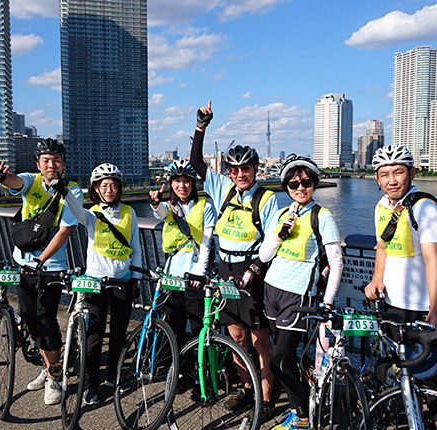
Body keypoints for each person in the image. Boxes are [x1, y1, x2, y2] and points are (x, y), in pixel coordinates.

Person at [190, 100, 277, 417]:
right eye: (235, 169)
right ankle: (246, 389)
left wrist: (255, 269)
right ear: (229, 171)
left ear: (256, 170)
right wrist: (201, 125)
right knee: (235, 336)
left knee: (259, 340)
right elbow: (197, 163)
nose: (240, 174)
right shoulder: (223, 187)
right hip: (225, 268)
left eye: (246, 169)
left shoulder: (265, 198)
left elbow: (272, 240)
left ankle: (266, 398)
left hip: (251, 271)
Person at [364, 145, 437, 429]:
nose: (392, 179)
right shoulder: (381, 207)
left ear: (411, 173)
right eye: (385, 174)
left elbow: (432, 260)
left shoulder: (425, 207)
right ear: (377, 179)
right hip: (392, 303)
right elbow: (382, 246)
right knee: (401, 370)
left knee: (431, 376)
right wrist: (377, 278)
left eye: (398, 172)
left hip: (421, 308)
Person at [0, 138, 83, 406]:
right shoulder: (32, 181)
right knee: (30, 319)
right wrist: (2, 177)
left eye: (56, 160)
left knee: (46, 320)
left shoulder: (71, 191)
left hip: (50, 268)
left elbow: (65, 231)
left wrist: (40, 260)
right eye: (46, 160)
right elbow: (15, 182)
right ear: (38, 164)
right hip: (23, 264)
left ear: (63, 163)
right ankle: (47, 367)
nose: (51, 165)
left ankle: (55, 379)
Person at [257, 155, 343, 430]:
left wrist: (327, 303)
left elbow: (337, 261)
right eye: (294, 183)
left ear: (315, 184)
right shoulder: (284, 214)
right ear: (287, 187)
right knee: (285, 357)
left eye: (306, 182)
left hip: (298, 297)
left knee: (280, 360)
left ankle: (304, 416)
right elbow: (264, 254)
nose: (300, 188)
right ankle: (302, 408)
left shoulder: (322, 216)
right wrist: (280, 235)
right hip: (272, 290)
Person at [51, 163, 142, 406]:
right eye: (104, 186)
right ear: (96, 189)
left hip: (122, 279)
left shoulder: (129, 213)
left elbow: (135, 246)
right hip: (94, 282)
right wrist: (63, 190)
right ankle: (91, 384)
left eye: (113, 185)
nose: (110, 189)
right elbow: (75, 209)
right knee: (93, 337)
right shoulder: (90, 214)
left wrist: (137, 278)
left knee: (119, 335)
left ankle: (112, 377)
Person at [149, 159, 216, 350]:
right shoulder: (171, 207)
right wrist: (155, 204)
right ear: (171, 183)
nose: (182, 185)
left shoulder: (205, 207)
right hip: (173, 276)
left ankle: (197, 373)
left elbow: (206, 243)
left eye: (186, 180)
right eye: (177, 181)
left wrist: (200, 273)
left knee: (198, 329)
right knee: (173, 327)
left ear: (193, 183)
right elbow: (161, 213)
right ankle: (177, 371)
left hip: (194, 278)